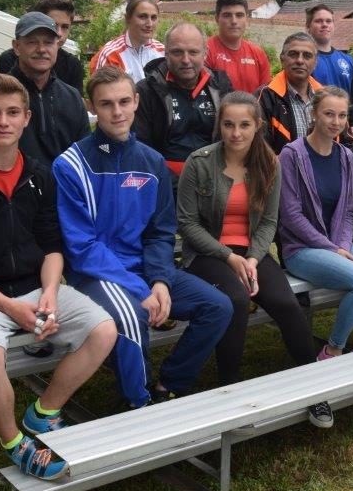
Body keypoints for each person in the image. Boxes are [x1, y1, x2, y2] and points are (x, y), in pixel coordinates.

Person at [0, 73, 117, 481]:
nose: (3, 121)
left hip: (35, 284)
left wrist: (48, 292)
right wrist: (11, 307)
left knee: (103, 330)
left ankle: (44, 413)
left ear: (26, 118)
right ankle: (14, 442)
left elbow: (52, 246)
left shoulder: (38, 173)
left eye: (13, 112)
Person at [53, 66, 231, 408]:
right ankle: (139, 403)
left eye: (123, 101)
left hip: (142, 270)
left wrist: (160, 281)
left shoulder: (151, 162)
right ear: (92, 107)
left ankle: (169, 384)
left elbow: (160, 232)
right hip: (95, 275)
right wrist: (141, 291)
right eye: (106, 104)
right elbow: (82, 247)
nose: (117, 112)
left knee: (218, 306)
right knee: (134, 317)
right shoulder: (71, 165)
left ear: (136, 101)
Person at [177, 91, 333, 428]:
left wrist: (251, 258)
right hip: (208, 252)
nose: (236, 133)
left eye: (244, 125)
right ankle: (230, 391)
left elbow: (269, 222)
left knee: (287, 304)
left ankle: (315, 389)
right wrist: (228, 257)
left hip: (251, 252)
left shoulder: (269, 163)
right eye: (229, 124)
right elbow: (187, 223)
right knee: (234, 299)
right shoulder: (199, 162)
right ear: (220, 124)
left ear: (257, 125)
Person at [278, 86, 353, 358]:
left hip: (338, 244)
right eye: (329, 114)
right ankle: (333, 349)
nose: (336, 122)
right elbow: (291, 215)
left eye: (342, 116)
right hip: (302, 248)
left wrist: (341, 244)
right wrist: (333, 249)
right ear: (314, 114)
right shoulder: (292, 155)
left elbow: (348, 211)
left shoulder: (346, 156)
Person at [0, 12, 90, 168]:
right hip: (13, 189)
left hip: (63, 189)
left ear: (57, 45)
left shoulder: (72, 97)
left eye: (49, 42)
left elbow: (84, 154)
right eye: (32, 42)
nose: (41, 49)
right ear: (16, 47)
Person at [134, 22, 233, 180]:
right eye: (177, 52)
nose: (186, 60)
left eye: (193, 52)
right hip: (163, 180)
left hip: (215, 177)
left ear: (205, 53)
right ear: (165, 53)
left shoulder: (221, 87)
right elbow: (140, 147)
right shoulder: (146, 91)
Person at [0, 0, 84, 96]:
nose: (59, 33)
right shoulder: (9, 59)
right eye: (54, 26)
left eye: (65, 27)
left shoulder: (72, 65)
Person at [305, 3, 353, 140]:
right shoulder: (302, 61)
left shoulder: (348, 61)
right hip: (314, 133)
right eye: (318, 21)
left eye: (328, 21)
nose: (324, 24)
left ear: (333, 26)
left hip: (345, 134)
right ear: (308, 27)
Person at [256, 32, 321, 154]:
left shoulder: (325, 98)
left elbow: (340, 140)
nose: (300, 60)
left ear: (315, 62)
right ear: (282, 59)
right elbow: (260, 148)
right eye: (293, 54)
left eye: (307, 56)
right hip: (280, 171)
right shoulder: (264, 98)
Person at [90, 0, 165, 83]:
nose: (149, 24)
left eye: (153, 17)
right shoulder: (111, 54)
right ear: (128, 19)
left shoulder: (163, 51)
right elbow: (102, 94)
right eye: (142, 17)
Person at [205, 0, 272, 93]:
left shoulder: (258, 54)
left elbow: (265, 95)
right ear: (217, 19)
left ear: (247, 19)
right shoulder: (205, 50)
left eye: (239, 15)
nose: (234, 21)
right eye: (227, 15)